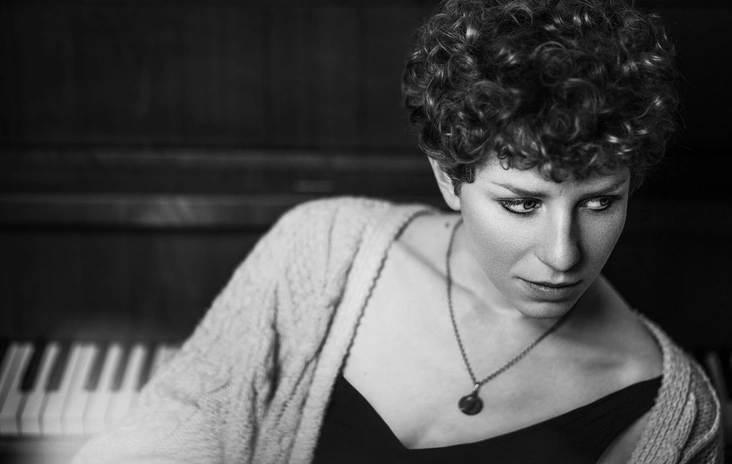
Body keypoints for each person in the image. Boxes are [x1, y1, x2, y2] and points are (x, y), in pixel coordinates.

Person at [74, 0, 722, 462]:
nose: (563, 255)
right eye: (522, 204)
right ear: (449, 178)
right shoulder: (322, 245)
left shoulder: (675, 415)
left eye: (600, 202)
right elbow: (184, 414)